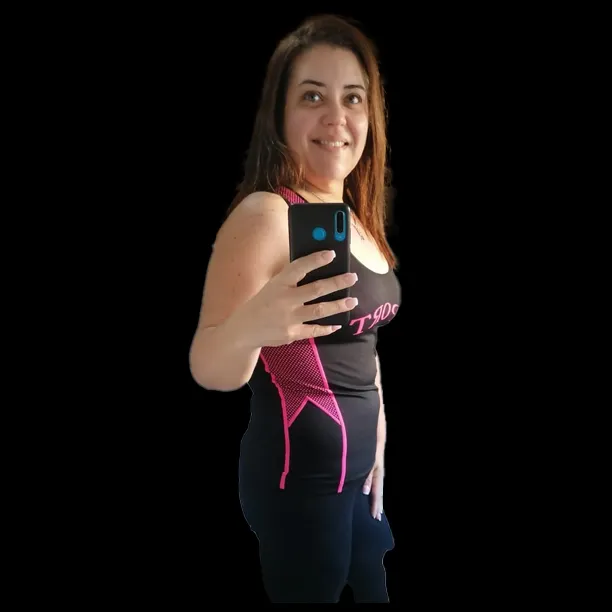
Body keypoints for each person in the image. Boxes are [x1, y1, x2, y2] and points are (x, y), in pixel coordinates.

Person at [189, 14, 402, 603]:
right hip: (299, 483)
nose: (336, 117)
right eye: (312, 96)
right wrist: (253, 327)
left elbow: (361, 338)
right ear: (280, 115)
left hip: (358, 476)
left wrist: (379, 426)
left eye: (352, 97)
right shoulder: (267, 214)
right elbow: (208, 364)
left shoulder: (356, 218)